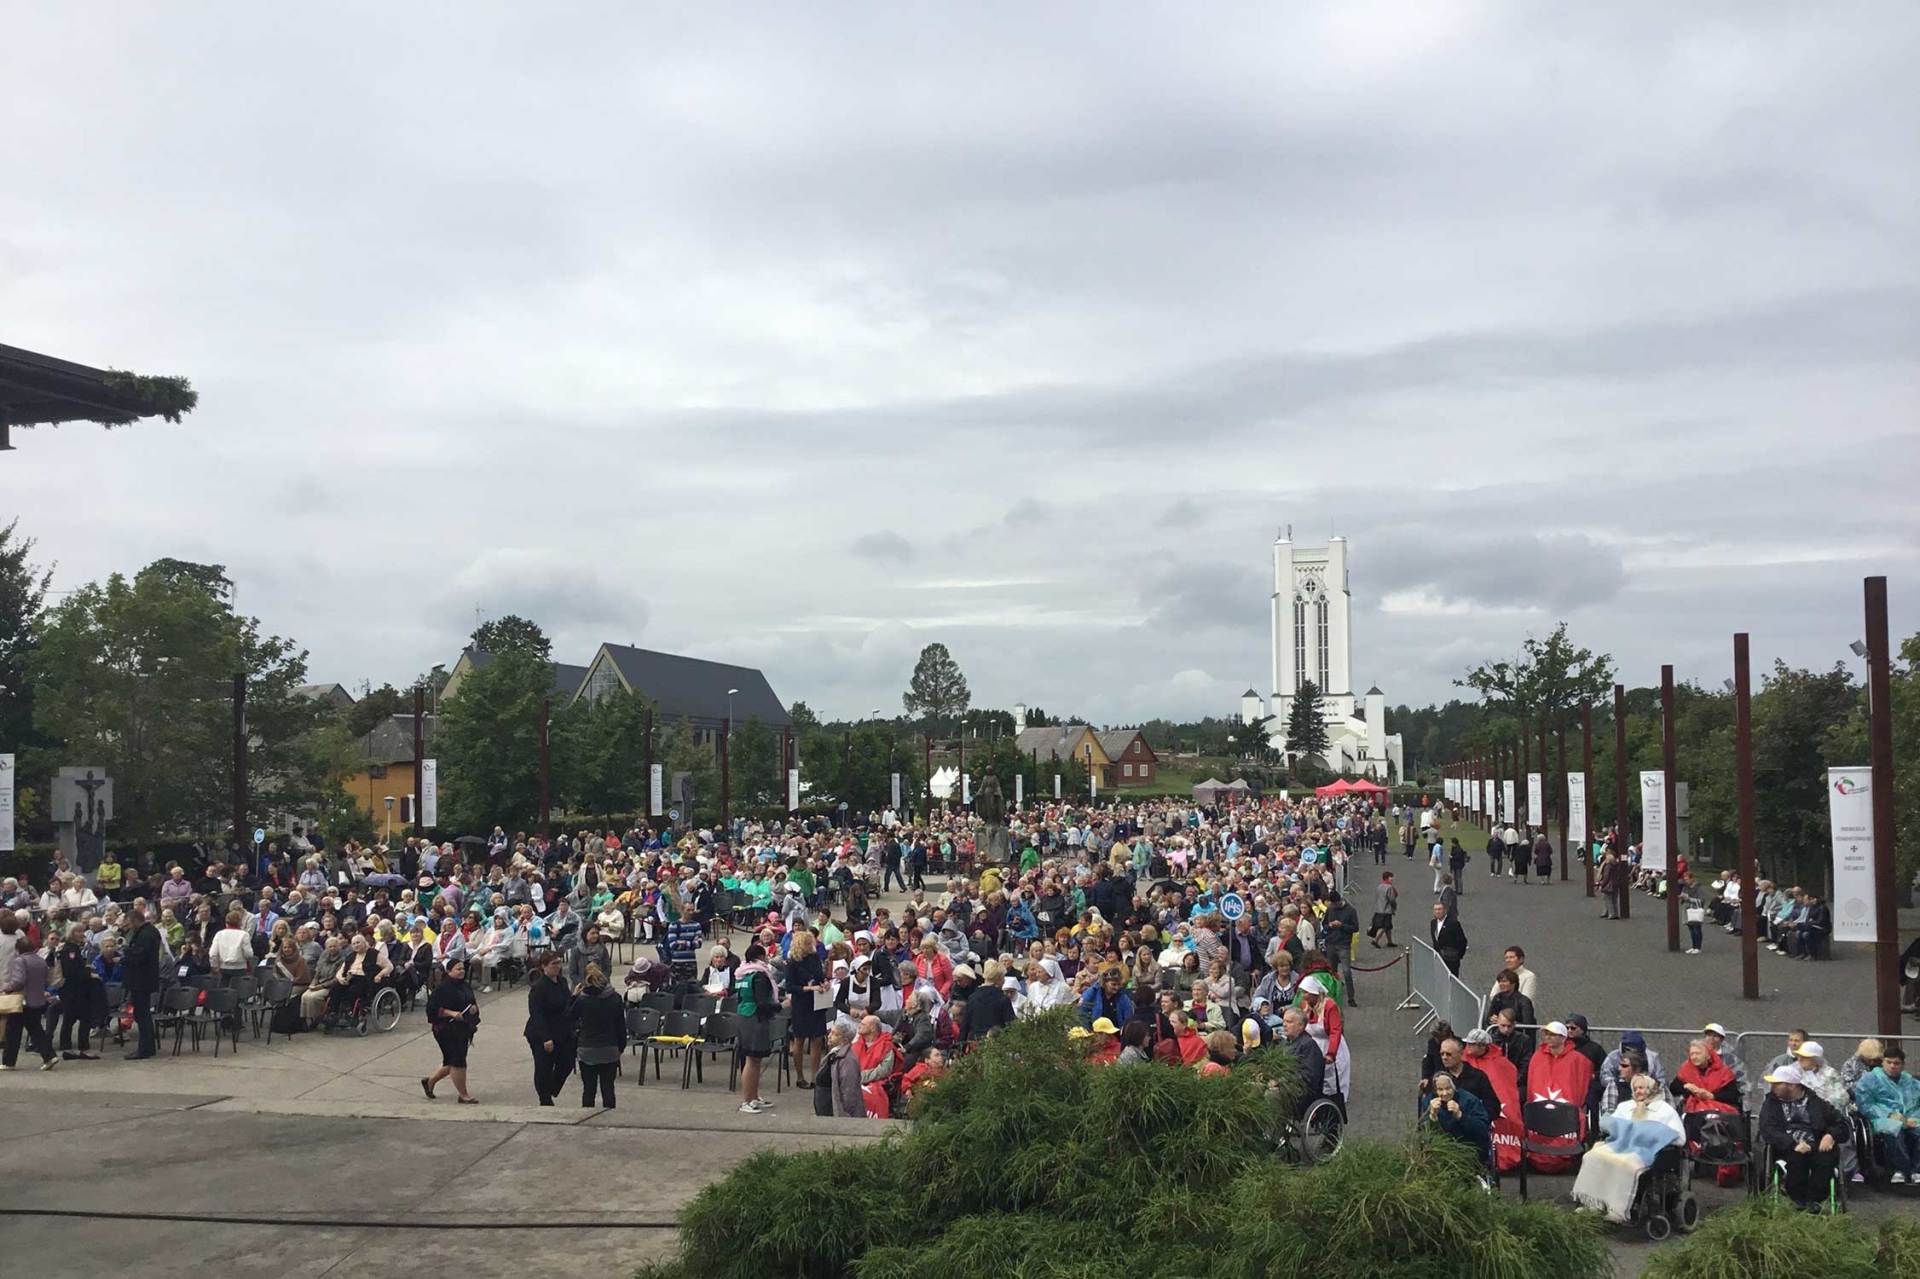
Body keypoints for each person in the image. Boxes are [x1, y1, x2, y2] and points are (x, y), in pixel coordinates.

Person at [1571, 1072, 1684, 1222]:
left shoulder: (1664, 1109)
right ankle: (1593, 1204)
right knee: (1591, 1157)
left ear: (1651, 1088)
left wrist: (1650, 1133)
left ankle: (1617, 1210)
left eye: (1642, 1088)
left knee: (1625, 1166)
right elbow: (1613, 1126)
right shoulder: (1625, 1106)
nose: (1638, 1091)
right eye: (1635, 1088)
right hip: (1619, 1145)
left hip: (1645, 1151)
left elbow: (1679, 1137)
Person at [1757, 1064, 1845, 1209]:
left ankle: (1815, 1200)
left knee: (1825, 1158)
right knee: (1797, 1158)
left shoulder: (1816, 1102)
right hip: (1788, 1144)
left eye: (1776, 1083)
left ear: (1791, 1085)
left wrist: (1831, 1135)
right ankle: (1798, 1199)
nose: (1772, 1086)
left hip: (1816, 1142)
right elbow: (1767, 1129)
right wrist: (1793, 1144)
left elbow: (1841, 1123)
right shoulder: (1771, 1103)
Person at [1854, 1044, 1920, 1184]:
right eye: (1889, 1062)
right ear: (1883, 1062)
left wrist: (1913, 1118)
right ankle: (1901, 1169)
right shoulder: (1870, 1079)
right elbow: (1865, 1104)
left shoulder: (1910, 1081)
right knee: (1893, 1130)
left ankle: (1917, 1170)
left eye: (1896, 1063)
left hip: (1911, 1117)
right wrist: (1890, 1115)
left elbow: (1917, 1102)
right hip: (1883, 1118)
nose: (1892, 1066)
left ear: (1902, 1065)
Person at [422, 955, 480, 1103]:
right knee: (458, 1061)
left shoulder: (464, 985)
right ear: (449, 971)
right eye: (458, 969)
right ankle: (463, 1095)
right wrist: (450, 1013)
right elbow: (432, 1010)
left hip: (462, 1028)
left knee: (451, 1061)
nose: (462, 971)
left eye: (463, 968)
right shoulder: (442, 988)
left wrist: (473, 1010)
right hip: (445, 1029)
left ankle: (429, 1082)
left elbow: (471, 1002)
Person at [569, 962, 626, 1109]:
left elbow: (569, 1017)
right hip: (610, 1047)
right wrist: (621, 1046)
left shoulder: (583, 1000)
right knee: (608, 1087)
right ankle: (609, 1115)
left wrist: (573, 997)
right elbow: (621, 1025)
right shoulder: (615, 998)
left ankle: (587, 1118)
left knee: (589, 1088)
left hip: (587, 1047)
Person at [731, 942, 779, 1114]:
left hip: (743, 1015)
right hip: (755, 1018)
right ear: (760, 957)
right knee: (752, 1060)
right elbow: (762, 1002)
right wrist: (781, 1006)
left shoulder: (742, 973)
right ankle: (747, 1100)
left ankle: (754, 1095)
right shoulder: (759, 976)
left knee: (755, 1060)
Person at [523, 950, 574, 1106]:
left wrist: (575, 998)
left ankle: (552, 1088)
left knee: (567, 1062)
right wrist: (546, 1038)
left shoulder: (562, 982)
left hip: (561, 1030)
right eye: (553, 964)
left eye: (559, 963)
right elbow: (537, 1015)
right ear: (544, 967)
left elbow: (566, 1004)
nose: (557, 967)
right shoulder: (539, 988)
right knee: (544, 1066)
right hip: (541, 1033)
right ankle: (545, 1099)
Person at [0, 935, 58, 1071]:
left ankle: (8, 1062)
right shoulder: (40, 961)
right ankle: (49, 1056)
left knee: (12, 1031)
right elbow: (47, 979)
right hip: (37, 1000)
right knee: (36, 1029)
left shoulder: (20, 961)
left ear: (18, 949)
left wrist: (6, 988)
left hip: (22, 1001)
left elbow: (19, 981)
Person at [1423, 1070, 1493, 1170]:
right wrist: (1433, 1116)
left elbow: (1482, 1130)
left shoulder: (1470, 1100)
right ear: (1435, 1090)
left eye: (1448, 1088)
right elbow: (1423, 1133)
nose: (1445, 1093)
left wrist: (1460, 1116)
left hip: (1468, 1150)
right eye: (1440, 1089)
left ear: (1454, 1087)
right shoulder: (1428, 1102)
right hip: (1440, 1152)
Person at [122, 905, 162, 1060]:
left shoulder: (146, 934)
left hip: (142, 979)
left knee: (142, 1014)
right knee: (141, 1014)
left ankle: (145, 1048)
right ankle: (147, 1047)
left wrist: (125, 954)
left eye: (129, 923)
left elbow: (139, 956)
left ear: (134, 921)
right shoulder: (148, 932)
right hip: (143, 979)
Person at [814, 1022, 864, 1118]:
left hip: (833, 1110)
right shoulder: (834, 1053)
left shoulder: (847, 1061)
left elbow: (849, 1091)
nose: (829, 1036)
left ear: (844, 1040)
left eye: (834, 1034)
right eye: (830, 1032)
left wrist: (845, 1115)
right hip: (824, 1105)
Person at [1280, 1008, 1325, 1110]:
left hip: (1301, 1091)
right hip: (1283, 1084)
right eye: (1284, 1021)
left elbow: (1309, 1077)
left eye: (1289, 1022)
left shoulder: (1308, 1045)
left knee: (1271, 1095)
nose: (1284, 1025)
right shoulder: (1284, 1043)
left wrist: (1281, 1080)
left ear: (1301, 1026)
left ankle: (1272, 1125)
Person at [1428, 902, 1467, 976]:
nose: (1437, 912)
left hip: (1451, 960)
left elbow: (1462, 941)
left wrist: (1458, 956)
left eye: (1439, 909)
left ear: (1444, 911)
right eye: (1435, 909)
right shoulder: (1433, 923)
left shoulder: (1453, 923)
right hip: (1439, 959)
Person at [1367, 872, 1398, 948]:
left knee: (1388, 926)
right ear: (1387, 878)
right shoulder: (1389, 887)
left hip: (1378, 909)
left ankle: (1389, 941)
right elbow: (1392, 899)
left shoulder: (1379, 886)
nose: (1392, 879)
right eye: (1391, 878)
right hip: (1386, 910)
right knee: (1384, 926)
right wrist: (1394, 907)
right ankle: (1375, 940)